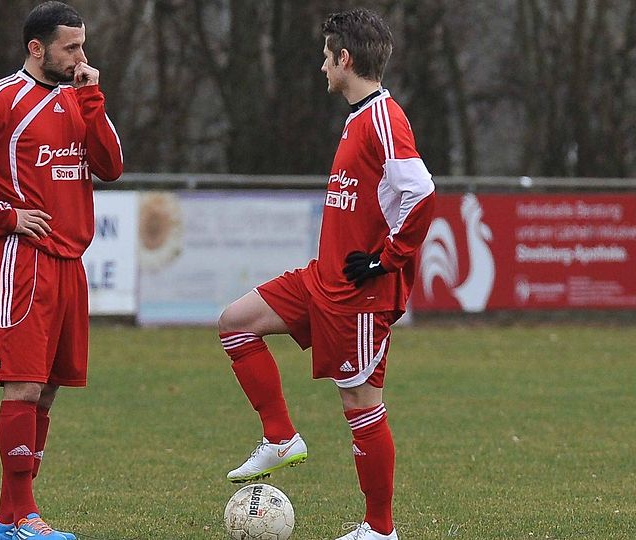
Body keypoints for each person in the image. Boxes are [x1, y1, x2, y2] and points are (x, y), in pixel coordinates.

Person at [218, 8, 436, 540]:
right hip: (323, 280)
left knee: (361, 403)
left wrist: (388, 258)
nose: (321, 67)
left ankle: (380, 530)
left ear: (345, 58)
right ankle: (280, 436)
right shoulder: (358, 118)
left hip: (358, 295)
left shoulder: (384, 118)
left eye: (325, 56)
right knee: (234, 322)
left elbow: (422, 192)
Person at [0, 2, 123, 539]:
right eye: (71, 47)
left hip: (70, 262)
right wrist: (4, 214)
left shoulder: (81, 96)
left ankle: (11, 518)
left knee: (49, 389)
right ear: (37, 49)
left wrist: (92, 99)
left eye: (83, 45)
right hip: (24, 260)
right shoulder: (4, 97)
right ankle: (22, 517)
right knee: (23, 387)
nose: (82, 56)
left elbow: (110, 166)